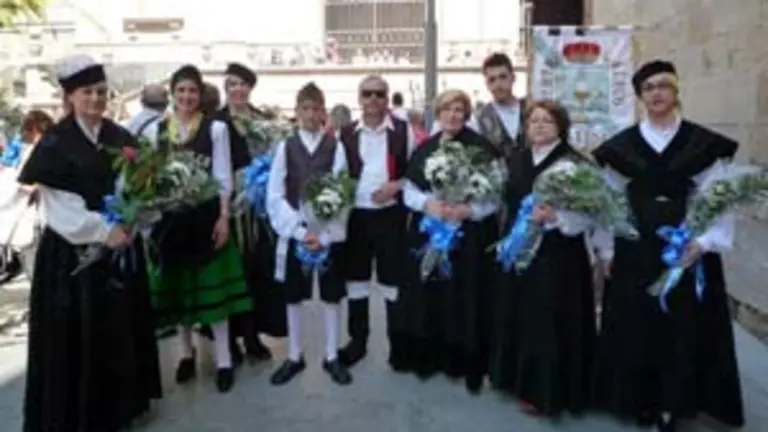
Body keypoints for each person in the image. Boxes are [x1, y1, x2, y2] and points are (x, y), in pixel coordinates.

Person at [591, 60, 744, 431]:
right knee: (637, 326)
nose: (656, 93)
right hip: (635, 249)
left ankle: (680, 401)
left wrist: (705, 241)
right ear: (640, 97)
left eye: (663, 86)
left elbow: (719, 196)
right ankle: (640, 399)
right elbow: (607, 201)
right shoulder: (621, 147)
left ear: (676, 92)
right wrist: (607, 249)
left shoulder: (701, 143)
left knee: (684, 326)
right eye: (648, 88)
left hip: (687, 246)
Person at [19, 54, 161, 431]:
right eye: (87, 92)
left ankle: (118, 407)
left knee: (117, 327)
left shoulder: (118, 136)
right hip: (71, 254)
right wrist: (103, 231)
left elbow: (141, 184)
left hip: (120, 245)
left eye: (101, 91)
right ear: (70, 97)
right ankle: (78, 414)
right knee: (77, 332)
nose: (96, 99)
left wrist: (135, 218)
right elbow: (59, 207)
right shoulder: (55, 142)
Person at [143, 64, 252, 393]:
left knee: (213, 291)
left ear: (199, 93)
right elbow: (150, 177)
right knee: (181, 290)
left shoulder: (215, 129)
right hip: (171, 221)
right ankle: (186, 353)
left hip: (205, 217)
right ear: (172, 94)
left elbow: (223, 175)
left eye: (192, 90)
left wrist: (223, 216)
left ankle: (223, 360)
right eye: (180, 91)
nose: (187, 96)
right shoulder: (157, 131)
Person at [489, 100, 597, 416]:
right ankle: (513, 378)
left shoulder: (574, 163)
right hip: (520, 247)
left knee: (549, 318)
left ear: (561, 128)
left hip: (558, 254)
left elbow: (590, 213)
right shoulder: (516, 160)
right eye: (533, 120)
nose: (538, 126)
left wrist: (556, 216)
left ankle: (547, 390)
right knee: (517, 312)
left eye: (547, 121)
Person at [399, 89, 502, 394]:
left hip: (469, 235)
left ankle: (467, 363)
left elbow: (494, 195)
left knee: (468, 295)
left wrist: (468, 210)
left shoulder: (482, 148)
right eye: (447, 109)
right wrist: (428, 205)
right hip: (432, 229)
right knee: (430, 294)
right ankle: (431, 358)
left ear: (467, 115)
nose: (453, 115)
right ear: (438, 114)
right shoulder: (425, 148)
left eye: (459, 110)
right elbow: (409, 189)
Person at [266, 82, 352, 386]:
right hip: (297, 232)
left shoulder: (335, 146)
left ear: (323, 112)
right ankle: (294, 355)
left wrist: (326, 233)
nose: (311, 114)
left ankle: (331, 356)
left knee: (331, 295)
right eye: (306, 108)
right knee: (294, 296)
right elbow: (274, 194)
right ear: (297, 111)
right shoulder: (285, 147)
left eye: (317, 108)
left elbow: (343, 192)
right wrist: (298, 231)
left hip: (327, 232)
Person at [337, 75, 415, 369]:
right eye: (367, 94)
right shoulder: (344, 134)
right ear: (359, 99)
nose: (373, 100)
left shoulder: (404, 132)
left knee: (392, 281)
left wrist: (396, 186)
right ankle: (358, 342)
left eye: (379, 94)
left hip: (390, 216)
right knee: (356, 279)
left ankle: (399, 346)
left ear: (387, 98)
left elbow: (416, 173)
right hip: (356, 216)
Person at [215, 62, 284, 364]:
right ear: (225, 88)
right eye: (232, 84)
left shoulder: (263, 121)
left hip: (260, 210)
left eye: (243, 84)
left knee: (258, 272)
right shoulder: (215, 123)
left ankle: (253, 335)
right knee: (233, 272)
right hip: (230, 209)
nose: (238, 89)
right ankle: (229, 339)